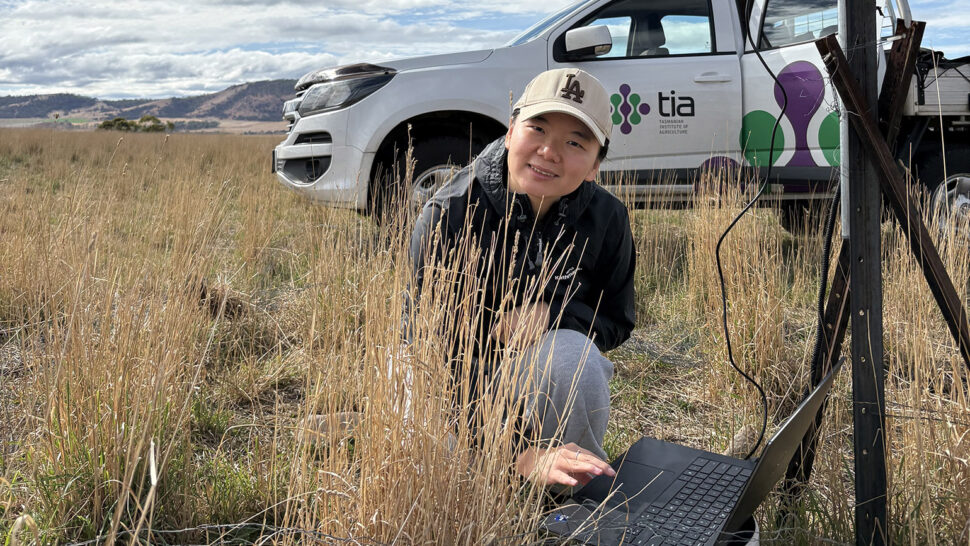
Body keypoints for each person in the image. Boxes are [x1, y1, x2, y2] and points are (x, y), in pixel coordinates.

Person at [408, 68, 636, 489]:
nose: (550, 151)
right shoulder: (448, 216)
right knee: (434, 456)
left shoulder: (607, 219)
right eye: (538, 128)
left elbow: (617, 321)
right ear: (511, 131)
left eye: (575, 142)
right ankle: (504, 475)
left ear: (595, 165)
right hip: (451, 374)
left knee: (573, 358)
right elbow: (429, 352)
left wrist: (553, 314)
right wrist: (518, 451)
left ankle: (578, 492)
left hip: (528, 370)